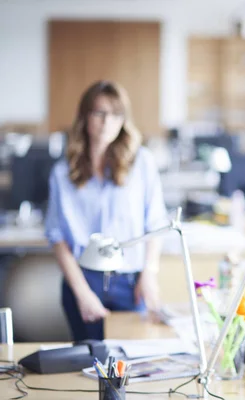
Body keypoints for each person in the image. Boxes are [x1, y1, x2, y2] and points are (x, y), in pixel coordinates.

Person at [45, 80, 168, 341]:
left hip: (130, 281)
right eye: (99, 112)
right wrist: (82, 292)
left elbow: (156, 223)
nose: (107, 121)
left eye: (116, 114)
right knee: (88, 366)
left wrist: (150, 273)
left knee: (132, 364)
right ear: (85, 117)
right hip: (83, 280)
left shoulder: (141, 162)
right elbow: (57, 238)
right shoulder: (62, 173)